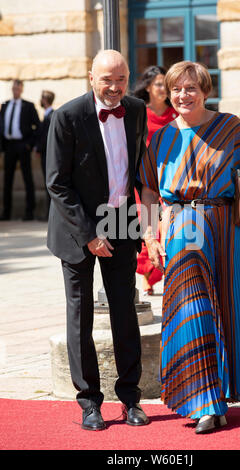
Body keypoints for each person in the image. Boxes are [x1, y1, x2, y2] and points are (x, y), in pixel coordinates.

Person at [138, 61, 240, 434]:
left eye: (191, 89)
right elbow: (149, 189)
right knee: (192, 310)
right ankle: (206, 402)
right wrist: (151, 234)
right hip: (183, 227)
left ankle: (221, 395)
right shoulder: (161, 137)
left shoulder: (229, 126)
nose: (183, 96)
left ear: (205, 90)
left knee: (229, 307)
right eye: (176, 89)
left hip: (226, 228)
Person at [46, 49, 149, 431]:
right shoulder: (67, 116)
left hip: (121, 220)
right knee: (81, 315)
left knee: (125, 312)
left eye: (121, 78)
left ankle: (131, 399)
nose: (115, 87)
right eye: (107, 79)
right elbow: (57, 183)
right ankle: (89, 403)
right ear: (91, 77)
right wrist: (89, 234)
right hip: (78, 228)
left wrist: (148, 204)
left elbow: (135, 165)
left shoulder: (135, 109)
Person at [133, 66, 178, 295]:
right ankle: (148, 274)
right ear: (148, 87)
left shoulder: (176, 114)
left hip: (172, 180)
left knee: (169, 230)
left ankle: (163, 273)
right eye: (159, 84)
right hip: (146, 181)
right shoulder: (139, 113)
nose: (163, 89)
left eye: (166, 84)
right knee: (148, 227)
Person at [0, 79, 40, 221]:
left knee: (27, 179)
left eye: (17, 88)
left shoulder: (28, 106)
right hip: (9, 146)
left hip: (23, 146)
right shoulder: (5, 105)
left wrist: (29, 144)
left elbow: (38, 127)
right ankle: (6, 212)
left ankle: (29, 212)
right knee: (7, 180)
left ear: (21, 89)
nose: (15, 90)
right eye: (13, 88)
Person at [35, 90, 55, 219]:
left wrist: (38, 148)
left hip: (47, 155)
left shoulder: (51, 115)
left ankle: (50, 213)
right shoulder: (47, 115)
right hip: (45, 154)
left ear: (45, 99)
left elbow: (46, 137)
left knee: (50, 184)